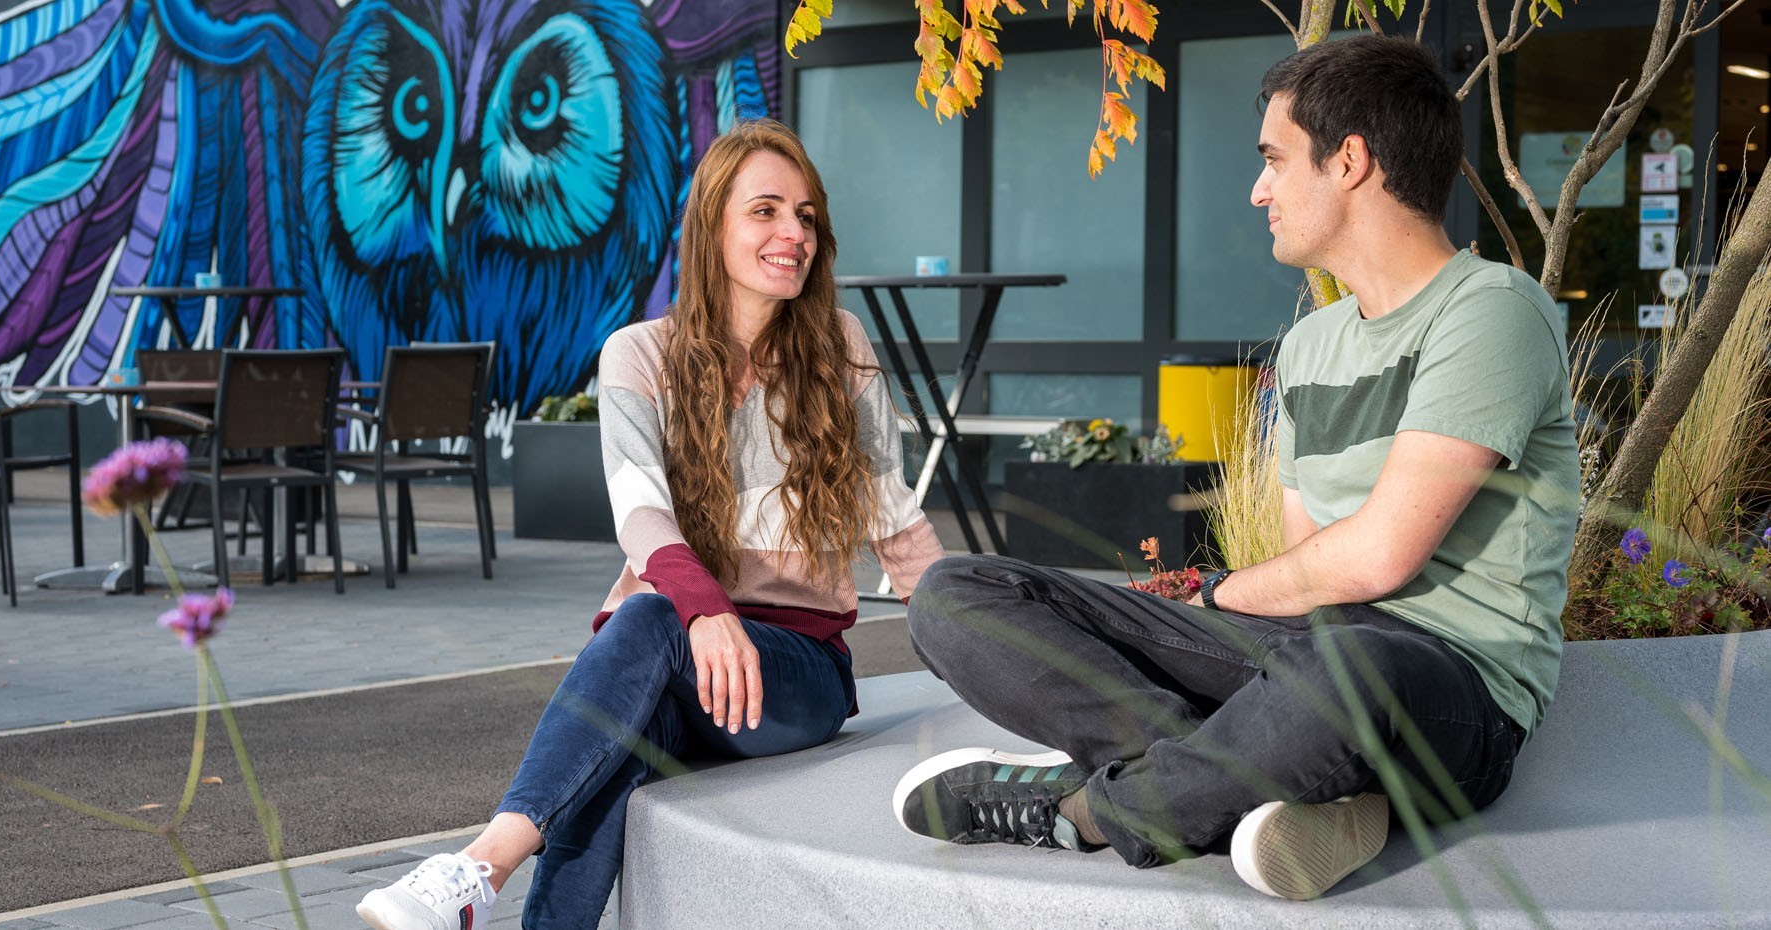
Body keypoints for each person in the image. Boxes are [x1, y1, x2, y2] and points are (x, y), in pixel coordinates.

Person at [894, 35, 1579, 901]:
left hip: (1447, 692)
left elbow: (1375, 561)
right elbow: (1311, 577)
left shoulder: (1492, 312)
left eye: (1275, 160)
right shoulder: (1309, 347)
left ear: (1352, 162)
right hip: (1305, 654)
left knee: (1350, 669)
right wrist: (1207, 623)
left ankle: (1089, 810)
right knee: (957, 597)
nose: (1258, 190)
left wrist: (1211, 596)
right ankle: (1254, 787)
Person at [356, 119, 944, 930]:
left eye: (806, 216)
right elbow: (641, 512)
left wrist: (982, 653)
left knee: (651, 616)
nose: (792, 234)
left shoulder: (840, 350)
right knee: (612, 757)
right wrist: (705, 611)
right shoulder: (639, 354)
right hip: (675, 654)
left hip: (796, 672)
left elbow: (896, 519)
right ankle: (486, 894)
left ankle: (480, 865)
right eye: (765, 211)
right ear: (712, 227)